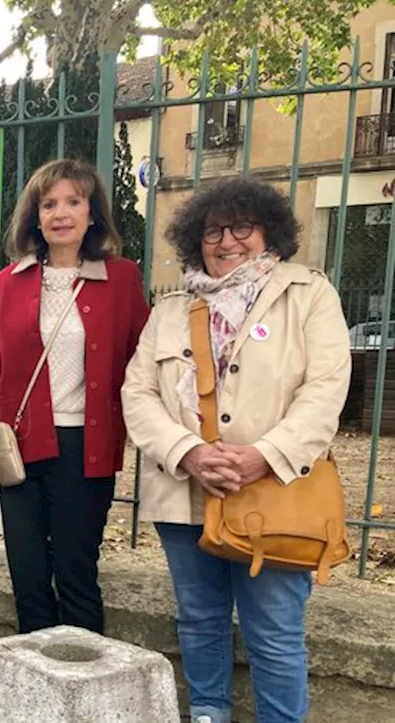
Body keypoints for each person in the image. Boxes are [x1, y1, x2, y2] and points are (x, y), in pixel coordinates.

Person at [121, 178, 350, 723]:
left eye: (240, 226)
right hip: (184, 489)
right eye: (212, 231)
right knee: (198, 618)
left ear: (267, 230)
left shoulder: (308, 293)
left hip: (274, 490)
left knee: (273, 632)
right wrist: (188, 453)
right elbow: (138, 390)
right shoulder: (171, 309)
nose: (227, 241)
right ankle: (208, 714)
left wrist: (262, 455)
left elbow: (325, 388)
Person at [0, 158, 150, 635]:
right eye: (49, 204)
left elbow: (144, 362)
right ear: (35, 216)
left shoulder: (121, 278)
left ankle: (85, 690)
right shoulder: (10, 281)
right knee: (27, 577)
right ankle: (37, 686)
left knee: (75, 573)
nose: (60, 213)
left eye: (73, 202)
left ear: (92, 214)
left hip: (85, 451)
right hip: (21, 449)